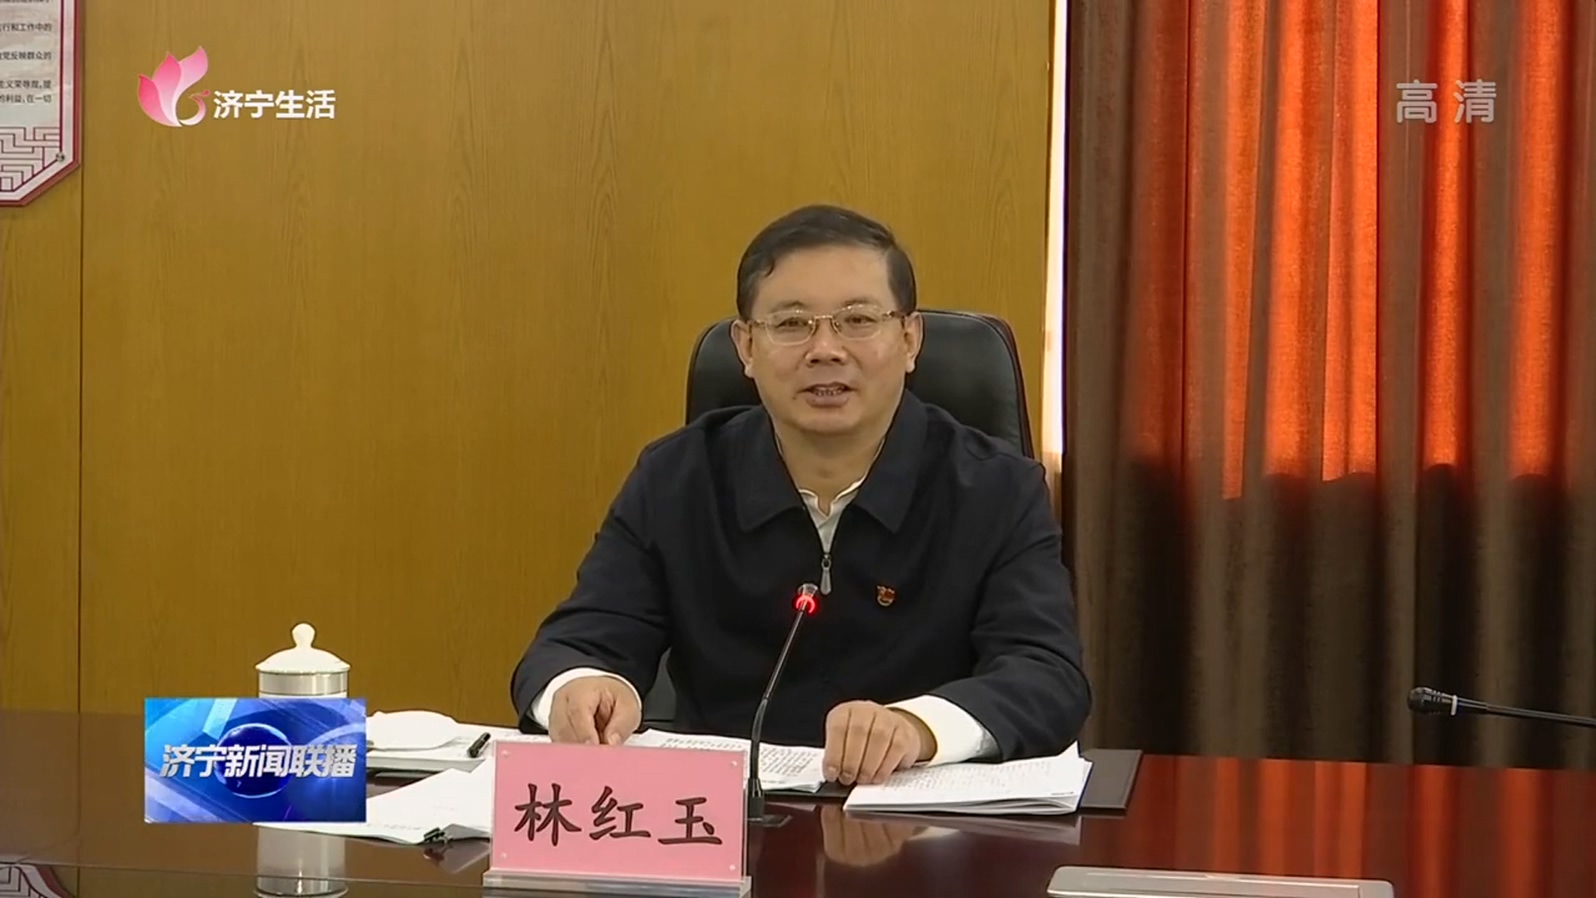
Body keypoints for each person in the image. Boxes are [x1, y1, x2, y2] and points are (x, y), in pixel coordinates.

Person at [510, 204, 1090, 785]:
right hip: (722, 819)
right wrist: (578, 687)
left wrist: (919, 727)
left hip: (920, 819)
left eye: (858, 320)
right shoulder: (677, 477)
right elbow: (575, 643)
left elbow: (1046, 675)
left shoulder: (996, 489)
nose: (825, 349)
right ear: (746, 347)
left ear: (910, 339)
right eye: (791, 324)